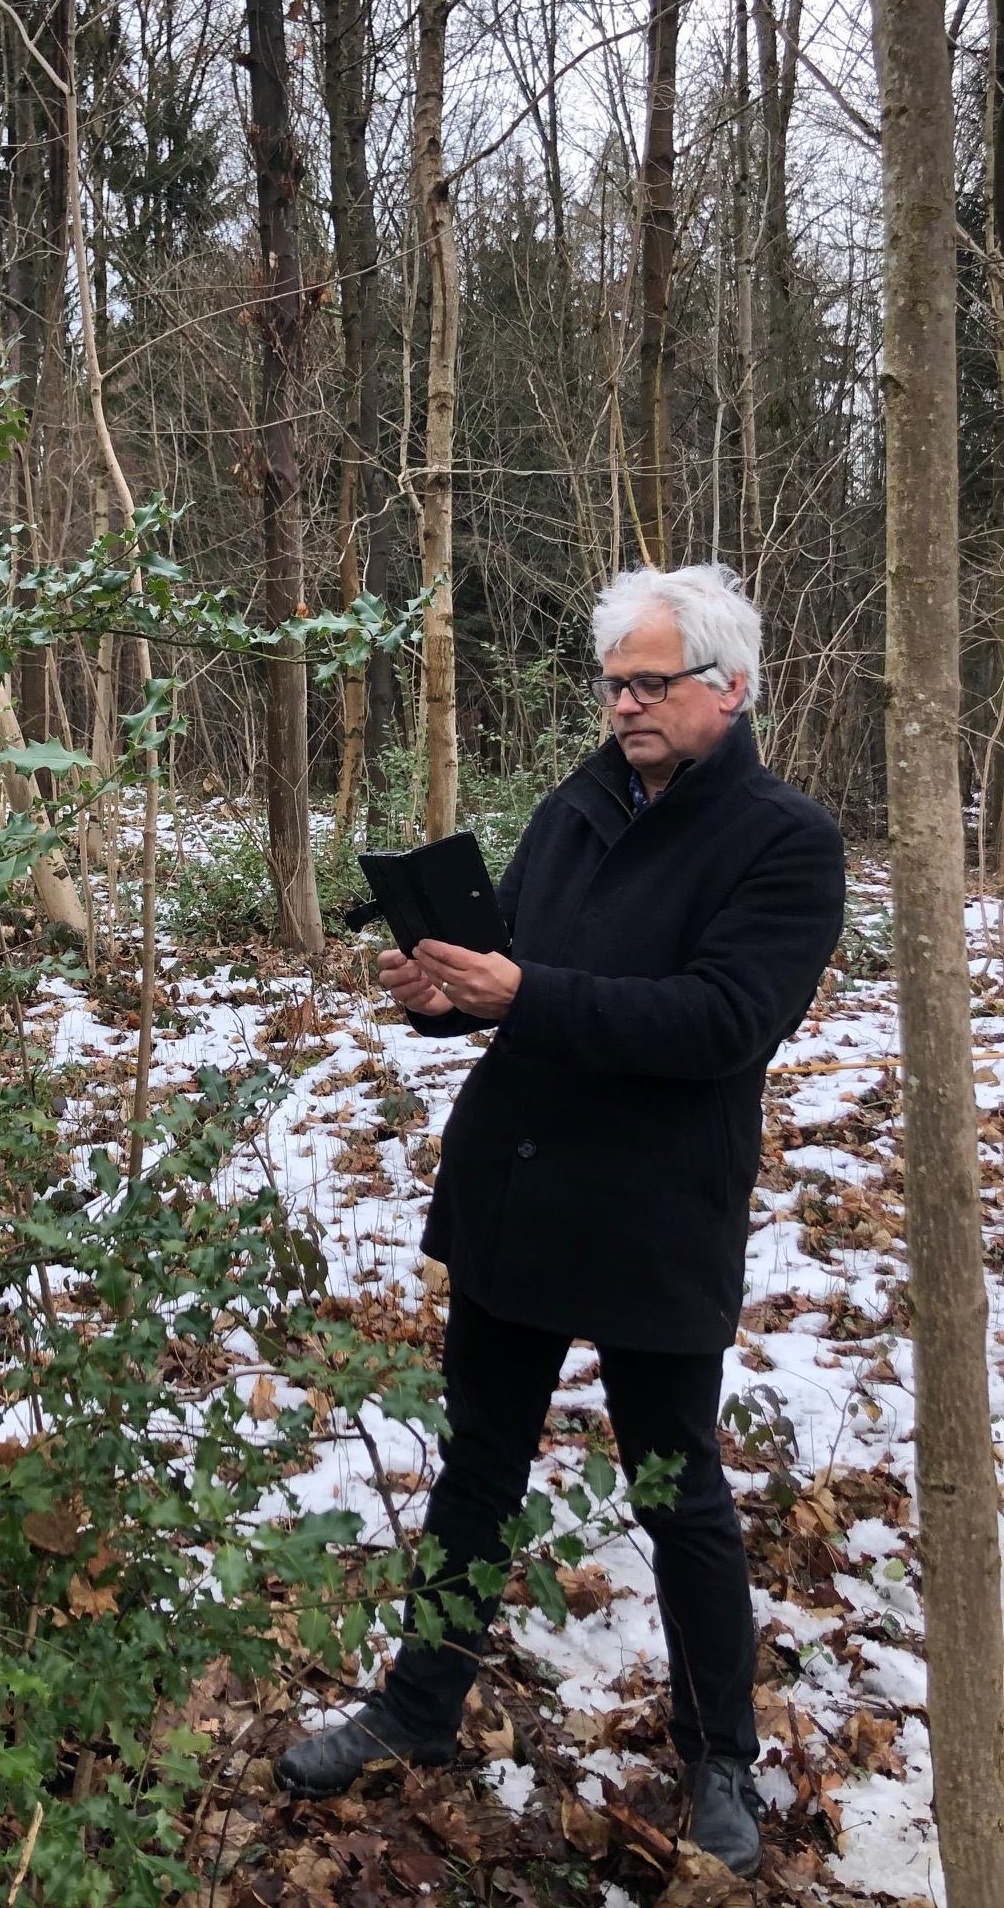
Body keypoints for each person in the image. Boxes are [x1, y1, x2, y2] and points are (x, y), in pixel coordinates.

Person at [274, 564, 846, 1878]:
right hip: (519, 1182)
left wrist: (519, 988)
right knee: (480, 1462)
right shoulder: (578, 805)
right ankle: (418, 1708)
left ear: (732, 687)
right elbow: (512, 967)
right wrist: (436, 987)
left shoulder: (784, 841)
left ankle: (720, 1763)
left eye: (652, 683)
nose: (627, 704)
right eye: (616, 682)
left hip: (655, 1206)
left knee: (679, 1488)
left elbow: (721, 1022)